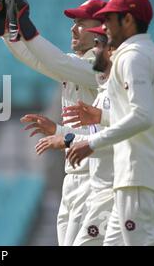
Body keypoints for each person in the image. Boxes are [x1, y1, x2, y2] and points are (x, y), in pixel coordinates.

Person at [0, 0, 106, 245]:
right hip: (75, 178)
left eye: (81, 23)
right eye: (73, 23)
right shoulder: (75, 64)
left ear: (100, 30)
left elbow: (54, 61)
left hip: (100, 179)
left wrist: (24, 21)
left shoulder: (101, 65)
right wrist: (1, 21)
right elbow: (33, 58)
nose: (73, 29)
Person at [66, 0, 154, 246]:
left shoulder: (133, 55)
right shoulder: (151, 53)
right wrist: (103, 116)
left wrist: (92, 143)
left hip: (139, 171)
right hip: (135, 174)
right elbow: (143, 113)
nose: (105, 27)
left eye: (110, 19)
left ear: (128, 20)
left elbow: (142, 115)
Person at [33, 26, 115, 245]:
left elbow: (119, 136)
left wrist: (66, 138)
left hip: (102, 181)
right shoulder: (104, 89)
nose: (95, 51)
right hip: (78, 178)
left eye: (100, 44)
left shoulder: (106, 81)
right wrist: (6, 29)